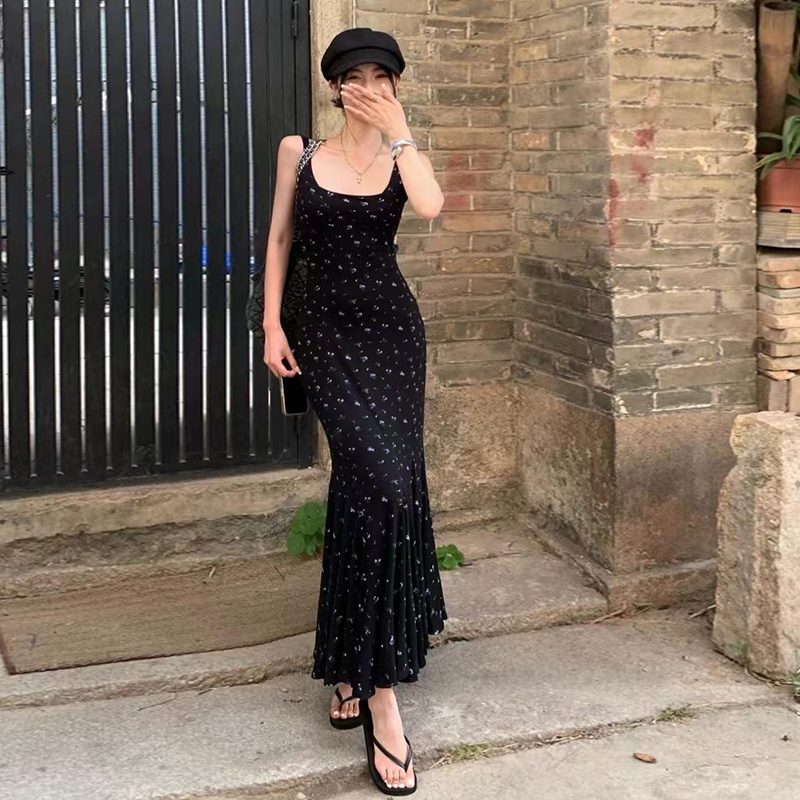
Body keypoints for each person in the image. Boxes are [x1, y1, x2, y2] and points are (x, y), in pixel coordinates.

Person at [261, 27, 447, 795]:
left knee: (383, 487)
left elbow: (432, 207)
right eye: (355, 75)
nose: (367, 86)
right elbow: (279, 239)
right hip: (323, 334)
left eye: (381, 75)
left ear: (395, 84)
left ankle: (352, 666)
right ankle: (380, 697)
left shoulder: (404, 157)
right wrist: (271, 325)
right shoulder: (299, 151)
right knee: (374, 480)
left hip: (393, 336)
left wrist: (401, 133)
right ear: (335, 85)